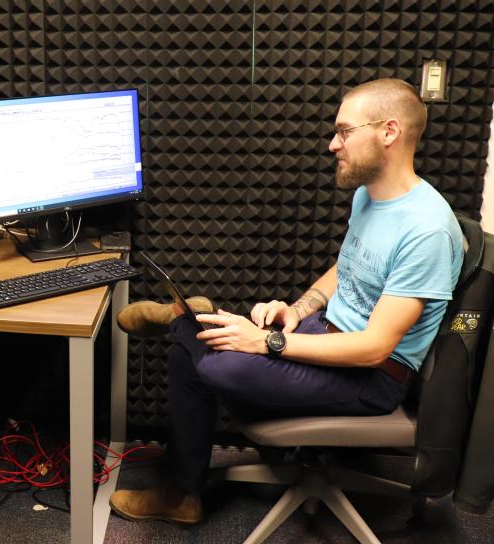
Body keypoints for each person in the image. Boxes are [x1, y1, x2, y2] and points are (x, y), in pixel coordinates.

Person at [109, 78, 465, 525]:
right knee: (194, 355)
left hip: (370, 377)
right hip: (329, 336)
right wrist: (297, 311)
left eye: (344, 131)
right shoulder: (370, 196)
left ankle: (188, 318)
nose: (334, 144)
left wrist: (267, 343)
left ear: (389, 132)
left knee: (221, 361)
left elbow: (375, 347)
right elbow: (348, 268)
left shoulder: (428, 230)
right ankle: (183, 494)